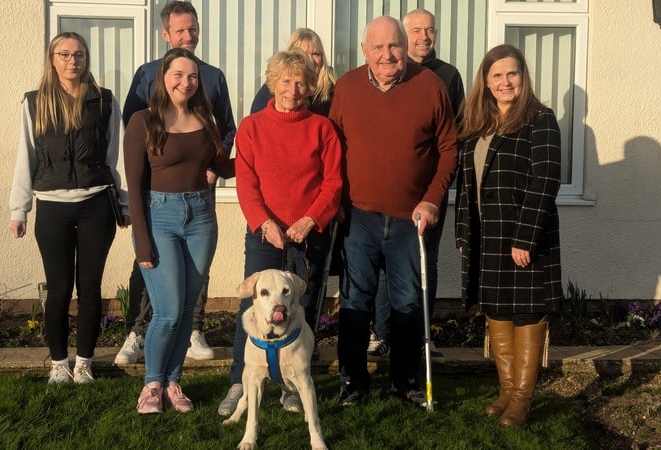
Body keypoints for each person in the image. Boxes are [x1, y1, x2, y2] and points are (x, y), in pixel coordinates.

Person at [328, 16, 458, 406]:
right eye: (379, 47)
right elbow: (332, 146)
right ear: (365, 51)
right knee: (354, 302)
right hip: (359, 218)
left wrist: (432, 198)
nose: (388, 55)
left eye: (395, 46)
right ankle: (352, 382)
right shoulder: (348, 87)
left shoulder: (430, 86)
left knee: (407, 305)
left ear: (405, 47)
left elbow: (449, 149)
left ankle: (405, 382)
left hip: (410, 219)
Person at [217, 49, 342, 417]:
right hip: (264, 234)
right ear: (273, 83)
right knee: (253, 307)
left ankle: (291, 385)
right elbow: (247, 183)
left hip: (307, 234)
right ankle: (240, 381)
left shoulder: (323, 129)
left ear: (310, 87)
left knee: (299, 308)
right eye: (286, 81)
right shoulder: (253, 126)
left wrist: (310, 219)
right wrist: (265, 223)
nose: (293, 89)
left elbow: (333, 183)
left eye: (301, 82)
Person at [115, 0, 236, 365]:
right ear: (165, 34)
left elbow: (225, 130)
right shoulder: (146, 74)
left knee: (192, 274)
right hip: (158, 198)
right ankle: (138, 331)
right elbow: (135, 129)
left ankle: (193, 330)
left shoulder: (212, 77)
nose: (188, 36)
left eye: (193, 29)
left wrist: (217, 164)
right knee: (150, 263)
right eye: (180, 30)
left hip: (199, 192)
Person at [8, 32, 127, 384]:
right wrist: (19, 209)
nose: (72, 61)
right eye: (65, 54)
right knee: (59, 288)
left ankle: (84, 363)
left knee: (89, 288)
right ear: (52, 59)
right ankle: (59, 363)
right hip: (52, 208)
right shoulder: (34, 103)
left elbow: (115, 156)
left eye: (79, 55)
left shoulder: (104, 101)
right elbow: (24, 158)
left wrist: (123, 204)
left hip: (96, 205)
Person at [455, 43, 562, 427]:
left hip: (524, 238)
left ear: (523, 76)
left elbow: (545, 180)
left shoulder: (540, 119)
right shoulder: (478, 123)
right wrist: (464, 233)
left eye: (511, 73)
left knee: (528, 313)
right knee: (497, 312)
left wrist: (525, 238)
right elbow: (468, 186)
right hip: (487, 236)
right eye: (496, 75)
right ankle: (504, 390)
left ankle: (521, 399)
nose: (505, 82)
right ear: (485, 80)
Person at [125, 47, 233, 414]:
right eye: (178, 74)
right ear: (164, 77)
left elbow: (225, 166)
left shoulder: (206, 120)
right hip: (159, 218)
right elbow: (135, 186)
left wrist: (264, 146)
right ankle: (151, 384)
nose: (185, 82)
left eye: (192, 76)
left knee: (186, 310)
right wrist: (142, 241)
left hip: (202, 218)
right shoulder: (143, 121)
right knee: (168, 311)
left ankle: (173, 382)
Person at [367, 8, 467, 360]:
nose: (424, 36)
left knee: (425, 266)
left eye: (430, 30)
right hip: (385, 200)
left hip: (428, 197)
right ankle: (381, 333)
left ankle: (424, 337)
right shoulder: (383, 74)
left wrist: (439, 191)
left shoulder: (448, 77)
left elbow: (452, 139)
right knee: (383, 268)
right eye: (416, 30)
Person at [249, 28, 336, 116]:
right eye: (303, 54)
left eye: (316, 54)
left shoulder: (333, 90)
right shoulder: (273, 89)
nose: (310, 60)